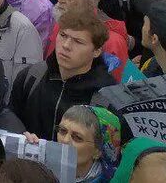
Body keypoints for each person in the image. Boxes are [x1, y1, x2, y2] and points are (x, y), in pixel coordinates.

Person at [7, 8, 113, 140]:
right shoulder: (31, 75)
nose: (66, 45)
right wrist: (21, 133)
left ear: (97, 51)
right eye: (63, 35)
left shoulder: (107, 96)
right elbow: (10, 117)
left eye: (78, 41)